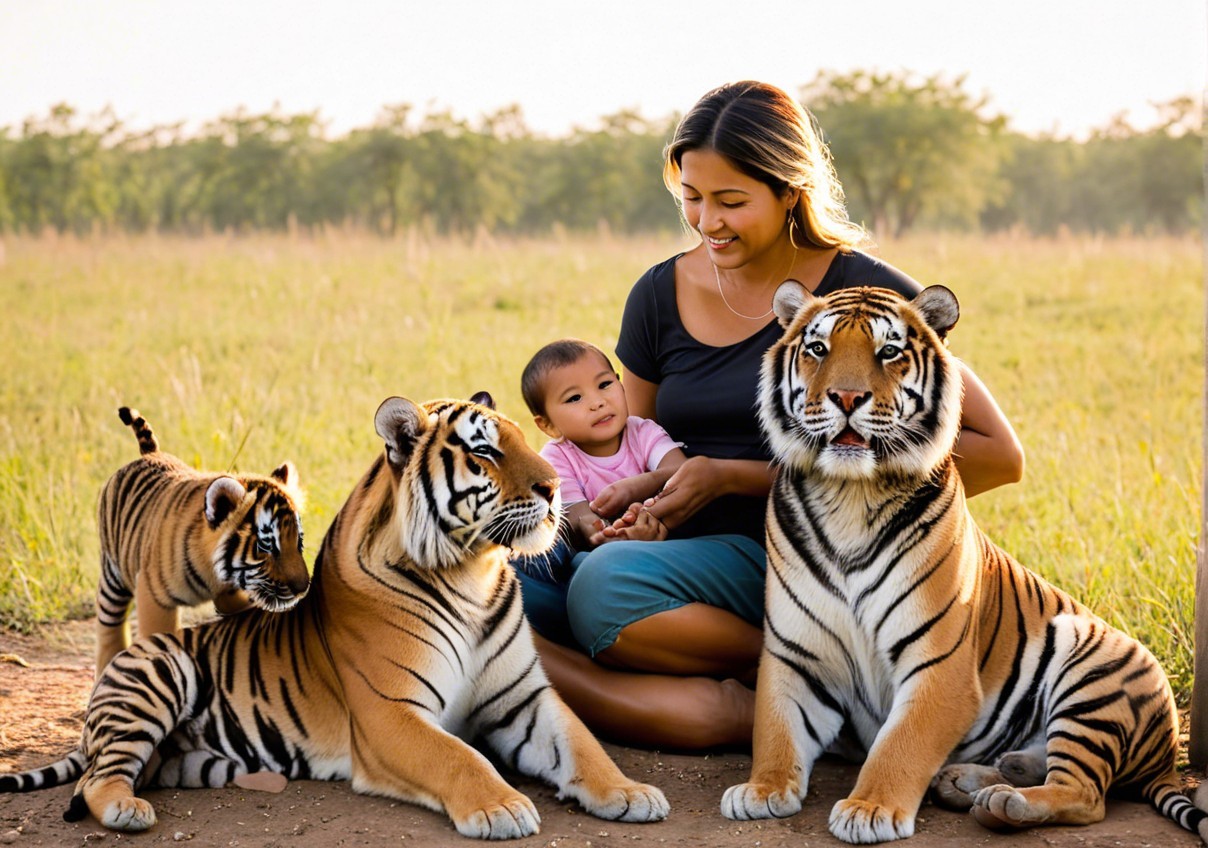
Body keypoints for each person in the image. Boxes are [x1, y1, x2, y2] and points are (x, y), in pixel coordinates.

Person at [530, 80, 1025, 750]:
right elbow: (636, 444)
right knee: (501, 571)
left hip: (800, 558)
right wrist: (634, 512)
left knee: (601, 593)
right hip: (673, 557)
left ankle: (813, 678)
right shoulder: (657, 293)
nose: (709, 222)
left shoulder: (862, 294)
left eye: (732, 201)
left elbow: (997, 454)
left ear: (789, 192)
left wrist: (735, 477)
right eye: (692, 199)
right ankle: (732, 701)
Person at [512, 338, 687, 645]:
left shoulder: (642, 432)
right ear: (548, 425)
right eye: (575, 398)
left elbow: (682, 472)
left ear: (621, 385)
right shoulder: (557, 457)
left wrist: (637, 486)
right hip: (598, 558)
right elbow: (580, 516)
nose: (597, 402)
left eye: (605, 384)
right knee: (569, 566)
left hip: (666, 545)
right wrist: (610, 533)